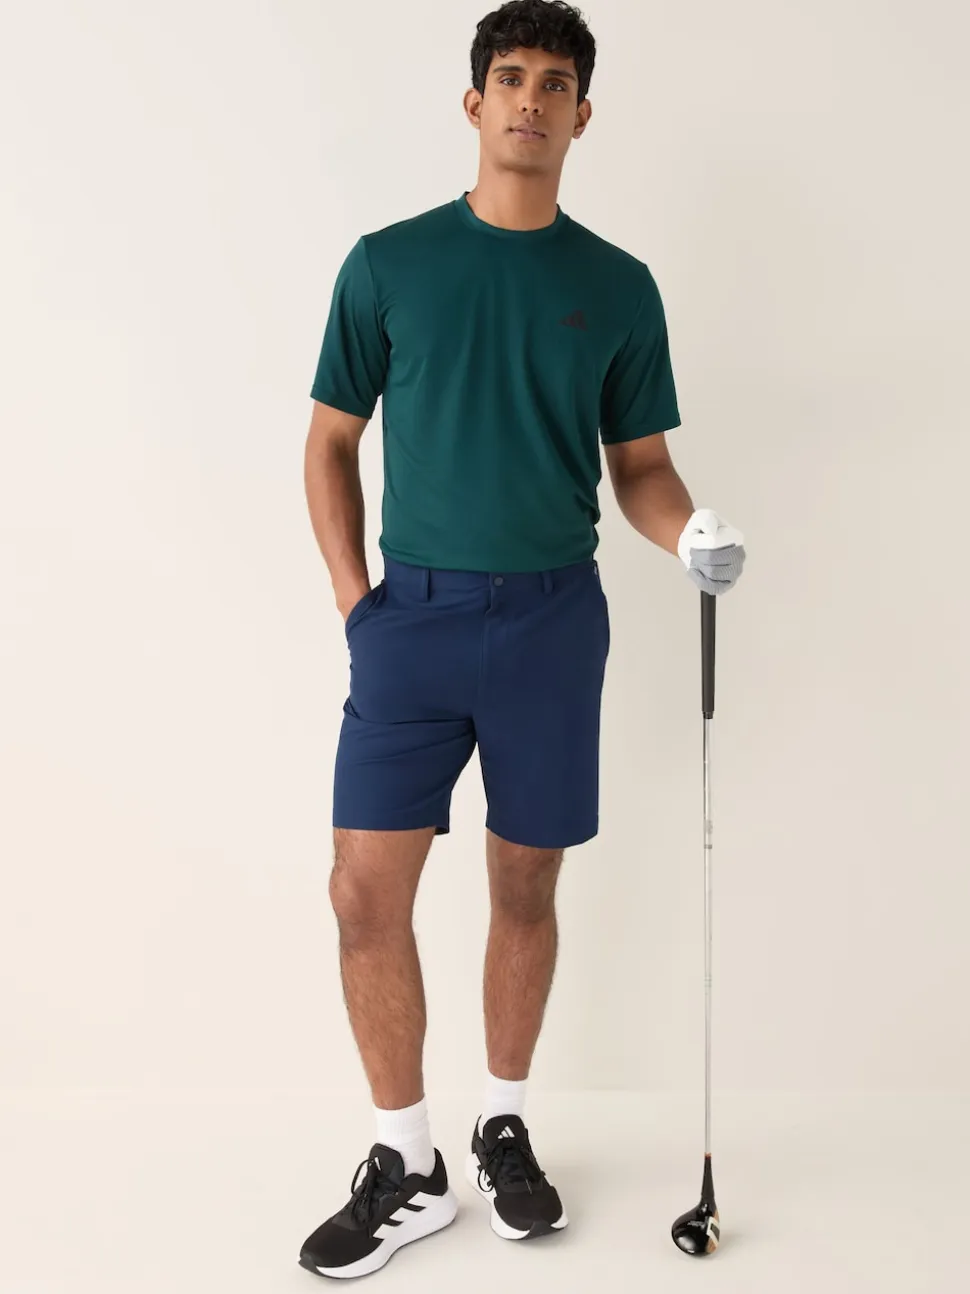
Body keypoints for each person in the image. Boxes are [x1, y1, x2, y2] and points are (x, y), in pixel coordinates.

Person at [298, 0, 746, 1279]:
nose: (531, 100)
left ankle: (503, 1124)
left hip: (553, 620)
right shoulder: (387, 264)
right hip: (411, 622)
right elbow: (330, 441)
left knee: (524, 884)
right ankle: (405, 1161)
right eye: (510, 78)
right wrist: (357, 603)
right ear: (474, 102)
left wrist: (689, 530)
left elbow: (640, 467)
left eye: (555, 83)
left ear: (581, 115)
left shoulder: (616, 286)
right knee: (361, 892)